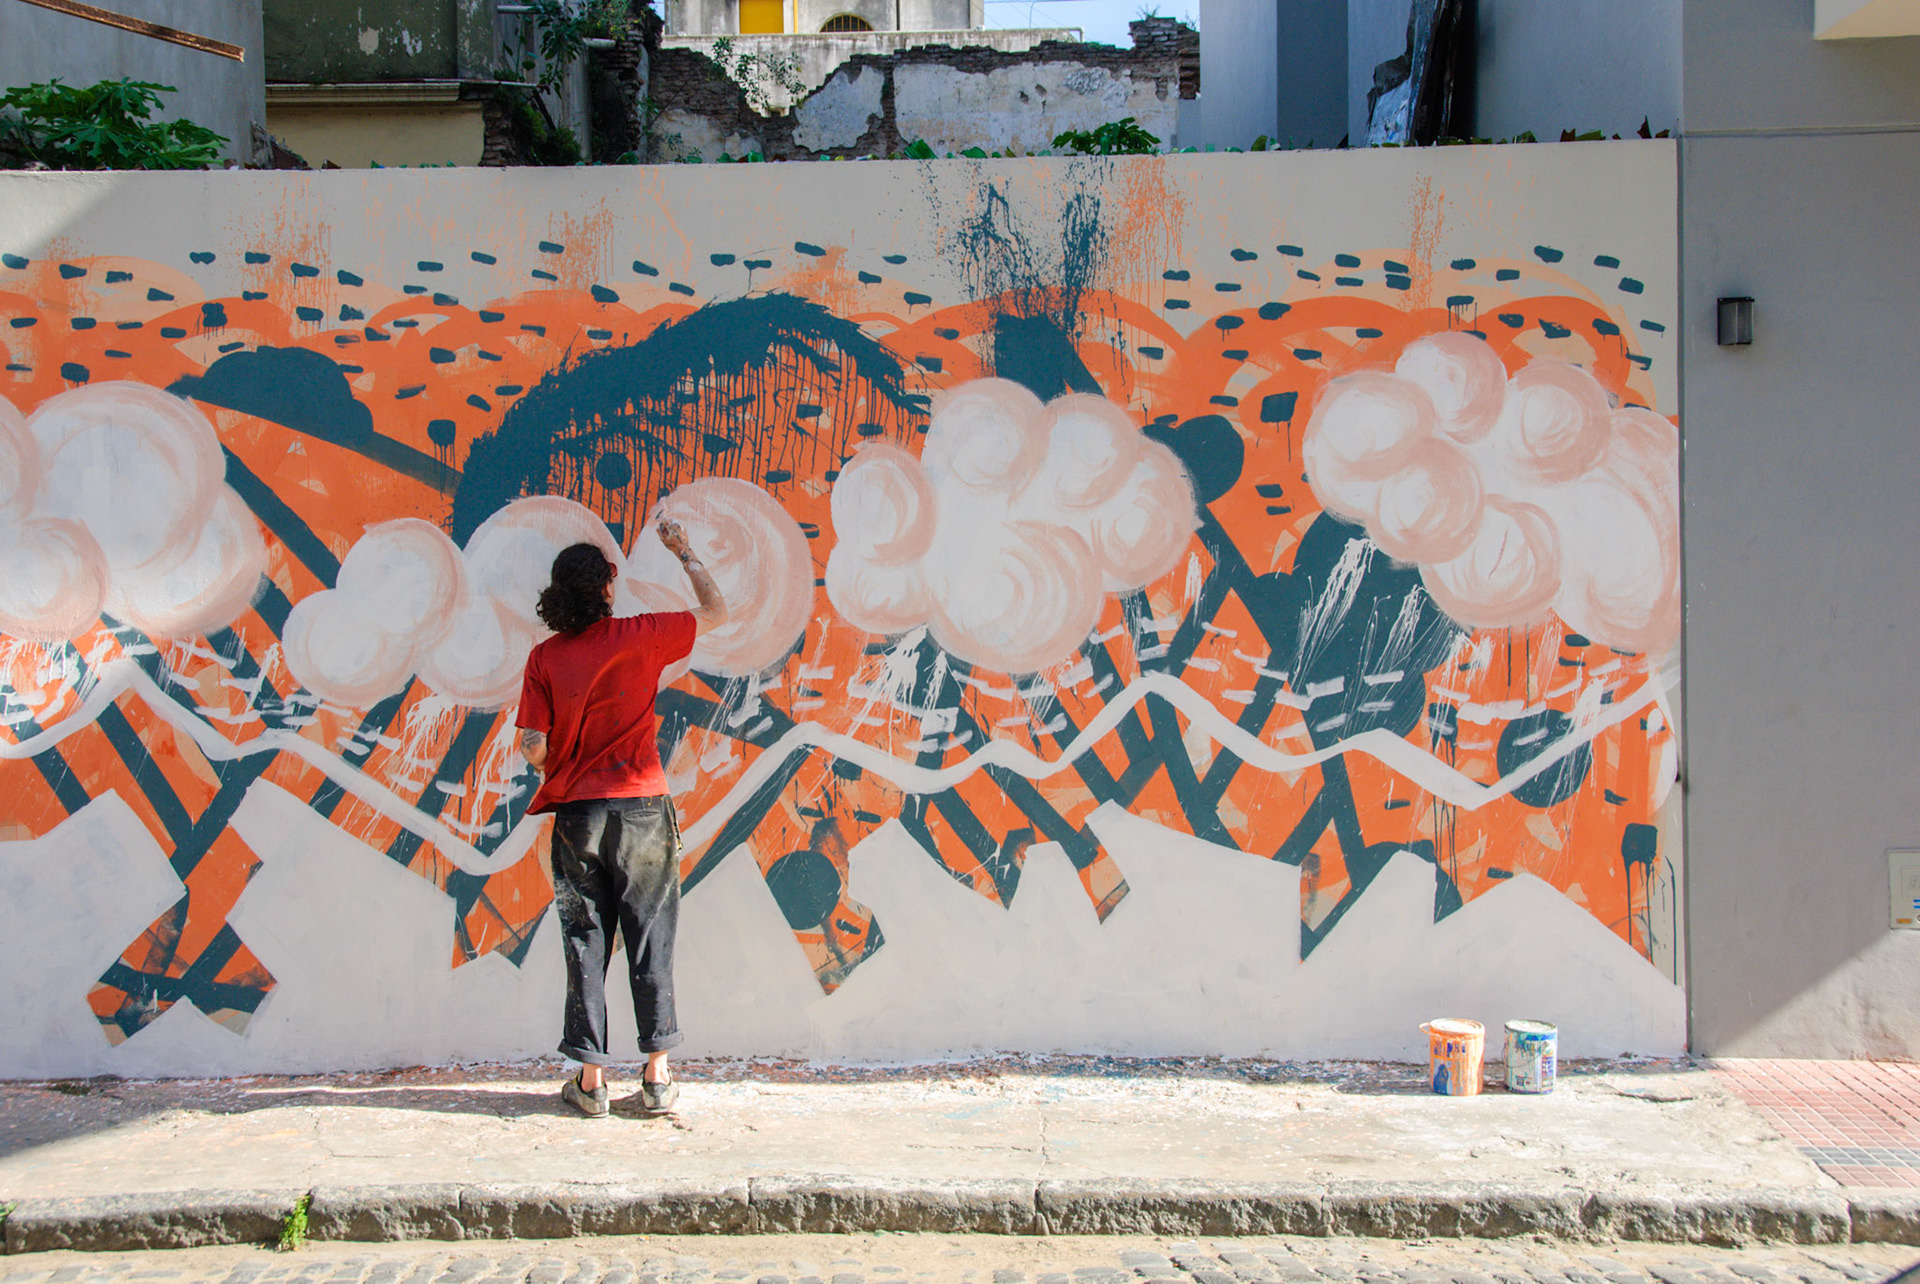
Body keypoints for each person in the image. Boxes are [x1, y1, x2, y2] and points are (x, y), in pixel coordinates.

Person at [515, 519, 727, 1118]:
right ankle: (657, 1077)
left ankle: (590, 1083)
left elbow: (532, 743)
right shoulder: (643, 636)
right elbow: (716, 610)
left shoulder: (543, 659)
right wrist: (683, 551)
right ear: (607, 588)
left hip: (578, 817)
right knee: (650, 937)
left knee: (585, 941)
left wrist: (564, 763)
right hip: (642, 813)